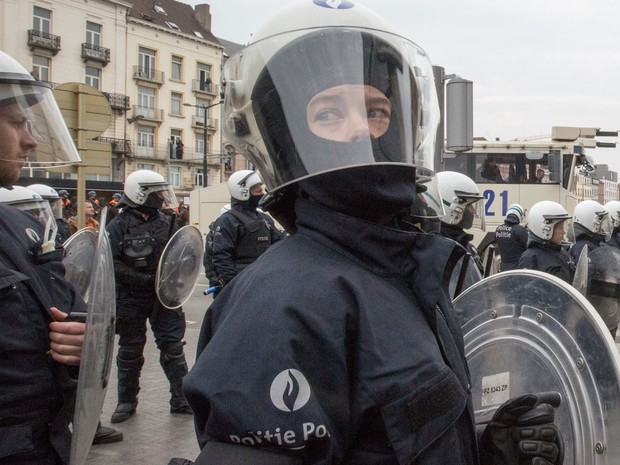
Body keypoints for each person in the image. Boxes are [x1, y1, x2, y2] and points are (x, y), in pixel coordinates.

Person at [182, 3, 564, 465]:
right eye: (328, 114)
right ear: (284, 136)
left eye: (377, 110)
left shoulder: (406, 270)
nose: (361, 128)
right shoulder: (280, 306)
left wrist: (485, 452)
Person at [0, 49, 87, 464]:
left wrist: (81, 333)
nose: (31, 139)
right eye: (17, 123)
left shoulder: (17, 226)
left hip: (43, 446)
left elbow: (65, 302)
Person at [106, 169, 193, 424]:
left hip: (164, 298)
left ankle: (181, 398)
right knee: (130, 350)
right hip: (131, 297)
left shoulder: (168, 223)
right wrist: (143, 279)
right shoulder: (117, 226)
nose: (161, 198)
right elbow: (110, 263)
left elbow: (182, 255)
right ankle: (126, 401)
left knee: (173, 348)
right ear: (140, 194)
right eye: (156, 193)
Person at [207, 169, 283, 291]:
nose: (262, 194)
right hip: (243, 283)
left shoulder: (265, 219)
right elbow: (222, 256)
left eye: (262, 190)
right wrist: (233, 285)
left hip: (264, 281)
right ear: (243, 192)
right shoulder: (228, 220)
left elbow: (280, 244)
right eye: (258, 191)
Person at [436, 171, 486, 279]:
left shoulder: (463, 244)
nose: (473, 211)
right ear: (452, 206)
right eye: (469, 206)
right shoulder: (438, 250)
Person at [517, 200, 575, 283]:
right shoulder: (530, 258)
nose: (564, 232)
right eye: (560, 228)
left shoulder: (561, 251)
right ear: (547, 229)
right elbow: (526, 291)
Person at [494, 203, 528, 271]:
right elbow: (529, 246)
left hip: (504, 269)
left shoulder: (498, 228)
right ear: (520, 216)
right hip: (517, 270)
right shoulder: (520, 230)